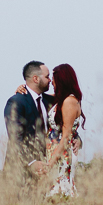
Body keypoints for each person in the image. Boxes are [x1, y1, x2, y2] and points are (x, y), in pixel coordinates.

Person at [3, 61, 53, 194]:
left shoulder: (49, 101)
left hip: (45, 173)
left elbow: (68, 118)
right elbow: (15, 138)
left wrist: (76, 138)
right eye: (47, 76)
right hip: (20, 173)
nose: (50, 80)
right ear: (36, 79)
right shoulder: (16, 102)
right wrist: (31, 162)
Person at [42, 63, 85, 197]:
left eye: (53, 79)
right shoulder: (63, 100)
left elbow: (66, 135)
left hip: (62, 154)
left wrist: (50, 163)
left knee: (61, 188)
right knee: (55, 188)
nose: (51, 82)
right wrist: (23, 88)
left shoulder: (69, 102)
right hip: (56, 152)